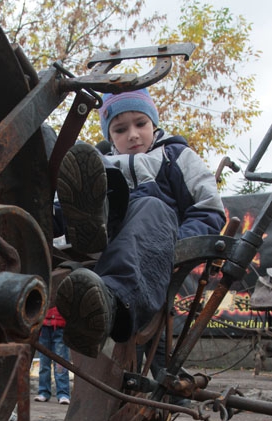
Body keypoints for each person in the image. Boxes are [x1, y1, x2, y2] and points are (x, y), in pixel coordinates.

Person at [55, 88, 226, 358]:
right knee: (87, 165)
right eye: (120, 129)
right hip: (100, 242)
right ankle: (90, 222)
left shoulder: (175, 155)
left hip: (152, 244)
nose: (133, 135)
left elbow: (208, 209)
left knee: (150, 206)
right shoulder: (97, 162)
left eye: (140, 124)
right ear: (109, 135)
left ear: (153, 123)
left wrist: (177, 245)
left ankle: (109, 302)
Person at [34, 306, 71, 404]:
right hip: (43, 326)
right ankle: (44, 392)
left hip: (60, 326)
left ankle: (63, 393)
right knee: (44, 363)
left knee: (60, 364)